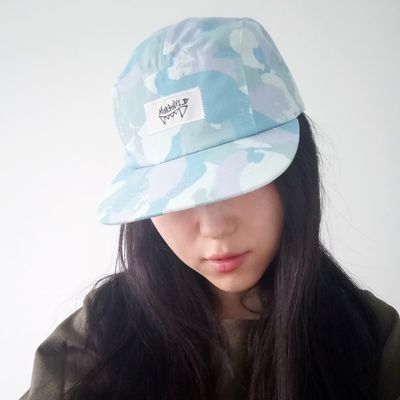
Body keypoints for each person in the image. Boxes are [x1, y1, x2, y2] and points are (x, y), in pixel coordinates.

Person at [21, 16, 400, 400]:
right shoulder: (96, 338)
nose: (214, 228)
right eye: (175, 194)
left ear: (295, 172)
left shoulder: (373, 340)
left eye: (242, 178)